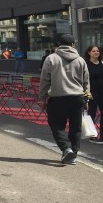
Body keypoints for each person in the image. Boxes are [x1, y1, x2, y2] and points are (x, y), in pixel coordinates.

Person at [39, 34, 90, 165]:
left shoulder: (51, 58)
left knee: (56, 125)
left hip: (58, 98)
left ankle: (66, 149)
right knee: (75, 127)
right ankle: (73, 152)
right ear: (73, 45)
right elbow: (86, 82)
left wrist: (43, 97)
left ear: (58, 44)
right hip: (77, 98)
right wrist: (87, 99)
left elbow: (44, 80)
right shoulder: (80, 60)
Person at [84, 46, 103, 144]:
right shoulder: (86, 64)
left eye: (97, 51)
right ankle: (92, 134)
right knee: (92, 112)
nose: (96, 52)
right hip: (92, 91)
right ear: (89, 52)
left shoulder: (101, 62)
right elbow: (83, 78)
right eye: (94, 51)